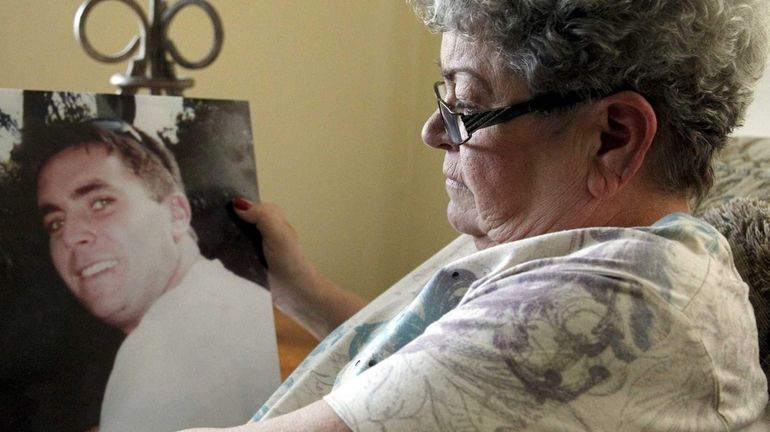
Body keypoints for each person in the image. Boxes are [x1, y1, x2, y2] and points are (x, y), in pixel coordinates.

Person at [186, 0, 770, 430]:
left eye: (467, 105)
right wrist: (299, 289)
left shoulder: (614, 301)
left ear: (613, 139)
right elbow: (433, 364)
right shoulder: (593, 248)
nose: (433, 132)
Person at [13, 120, 280, 432]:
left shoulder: (156, 355)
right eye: (55, 223)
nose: (70, 236)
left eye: (100, 203)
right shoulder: (233, 305)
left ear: (177, 214)